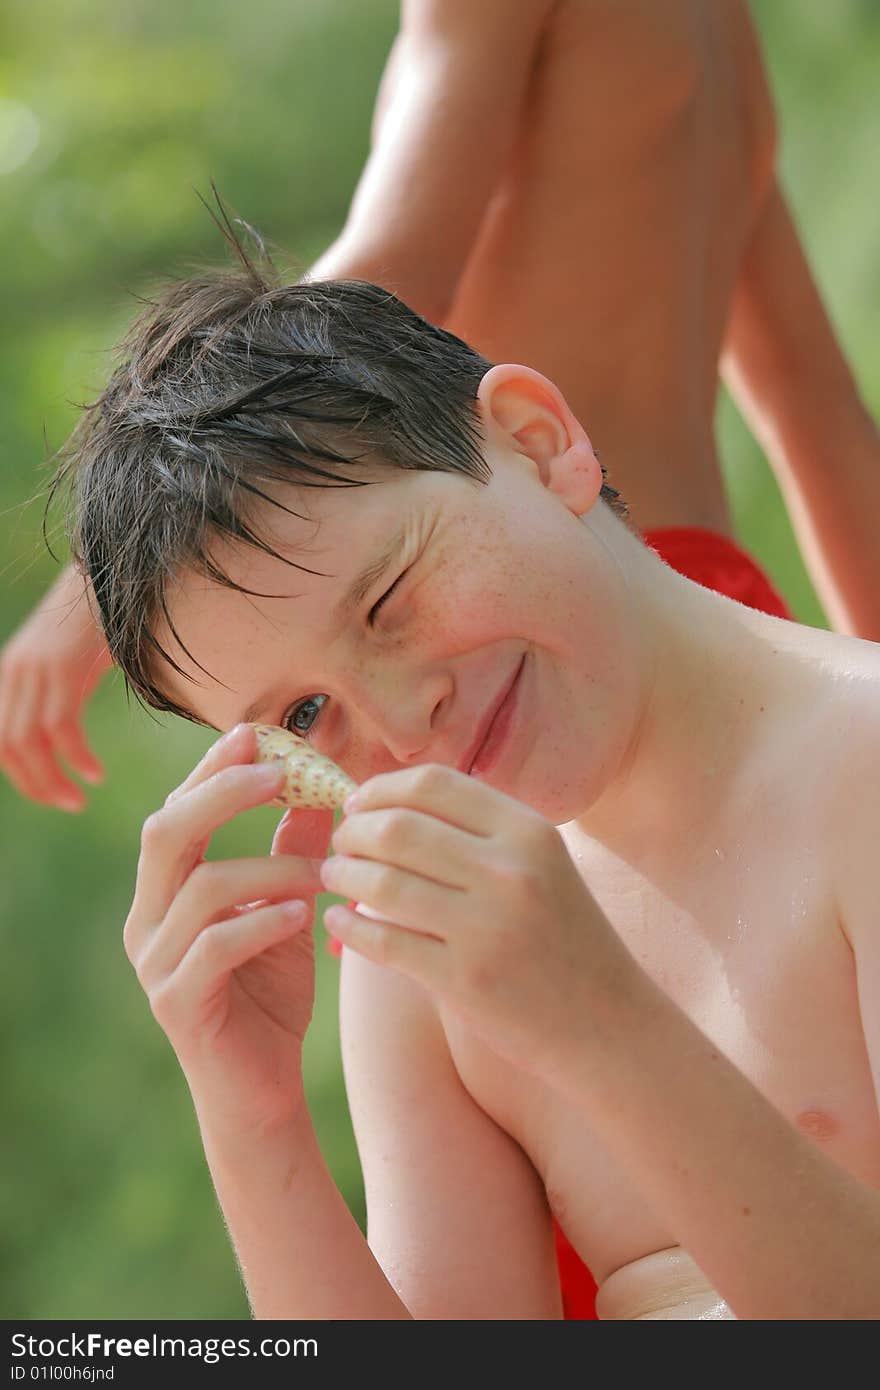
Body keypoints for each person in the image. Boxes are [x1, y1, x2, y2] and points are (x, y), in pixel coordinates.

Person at [52, 265, 880, 1319]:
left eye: (390, 598)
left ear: (537, 442)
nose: (402, 722)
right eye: (304, 716)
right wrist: (253, 1118)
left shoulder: (860, 766)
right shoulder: (427, 949)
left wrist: (604, 1027)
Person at [4, 0, 880, 814]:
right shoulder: (713, 32)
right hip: (709, 622)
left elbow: (382, 282)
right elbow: (816, 418)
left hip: (537, 647)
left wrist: (94, 592)